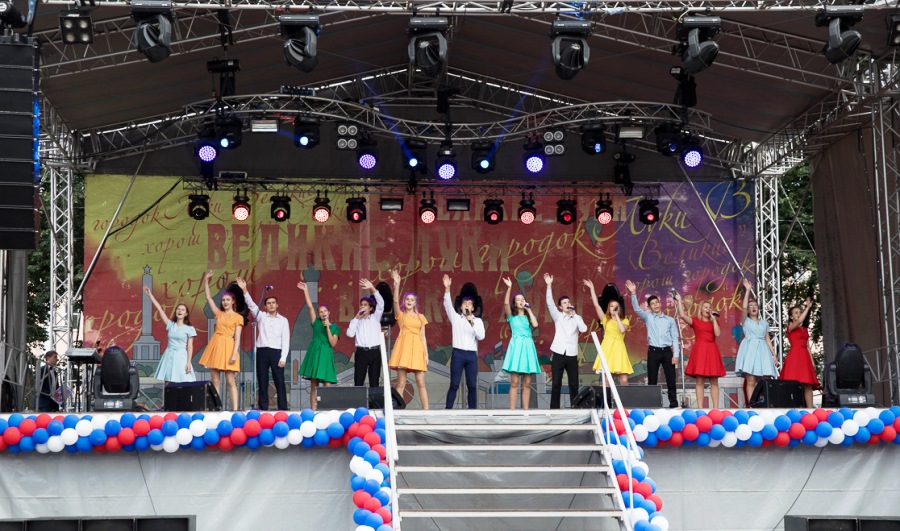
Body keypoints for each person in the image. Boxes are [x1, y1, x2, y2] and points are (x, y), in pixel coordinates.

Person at [235, 278, 290, 411]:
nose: (271, 305)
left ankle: (283, 408)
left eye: (273, 303)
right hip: (262, 351)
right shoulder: (261, 316)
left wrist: (283, 357)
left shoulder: (283, 320)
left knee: (279, 381)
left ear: (277, 305)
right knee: (262, 380)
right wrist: (244, 290)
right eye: (268, 303)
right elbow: (251, 304)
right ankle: (263, 408)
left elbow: (286, 339)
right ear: (265, 306)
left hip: (276, 352)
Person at [625, 280, 680, 407]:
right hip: (653, 351)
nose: (655, 305)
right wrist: (633, 293)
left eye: (656, 302)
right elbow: (637, 309)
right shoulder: (648, 317)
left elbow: (675, 338)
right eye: (652, 304)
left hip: (667, 351)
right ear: (649, 307)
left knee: (671, 379)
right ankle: (652, 404)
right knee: (652, 380)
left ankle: (673, 404)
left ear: (660, 304)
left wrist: (676, 355)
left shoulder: (670, 320)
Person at [198, 270, 244, 411]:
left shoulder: (238, 317)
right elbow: (208, 298)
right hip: (216, 345)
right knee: (216, 381)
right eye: (223, 300)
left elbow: (237, 337)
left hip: (229, 346)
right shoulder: (219, 314)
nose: (225, 302)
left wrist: (234, 353)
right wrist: (206, 281)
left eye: (228, 300)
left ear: (233, 301)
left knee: (230, 381)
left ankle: (235, 409)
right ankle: (216, 408)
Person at [442, 274, 486, 409]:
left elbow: (481, 336)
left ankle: (472, 411)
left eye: (469, 304)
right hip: (458, 353)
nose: (467, 305)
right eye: (464, 303)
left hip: (471, 355)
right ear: (460, 307)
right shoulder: (456, 318)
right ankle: (448, 410)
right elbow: (447, 305)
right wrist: (447, 289)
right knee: (454, 384)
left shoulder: (478, 321)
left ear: (473, 308)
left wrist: (471, 321)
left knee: (472, 385)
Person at [674, 294, 725, 409]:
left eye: (709, 307)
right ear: (701, 309)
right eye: (706, 307)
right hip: (700, 350)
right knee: (700, 380)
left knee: (714, 380)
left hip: (712, 350)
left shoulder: (714, 321)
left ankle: (715, 408)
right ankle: (700, 408)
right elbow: (683, 315)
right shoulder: (696, 321)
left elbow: (717, 334)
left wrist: (714, 320)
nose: (708, 309)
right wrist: (680, 300)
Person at [389, 269, 430, 409]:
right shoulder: (401, 315)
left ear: (415, 303)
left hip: (417, 348)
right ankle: (396, 409)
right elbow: (395, 301)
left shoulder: (421, 317)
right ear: (404, 301)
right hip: (404, 348)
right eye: (407, 299)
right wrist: (397, 284)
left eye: (412, 300)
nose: (409, 301)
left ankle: (426, 410)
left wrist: (426, 354)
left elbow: (423, 336)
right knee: (401, 382)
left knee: (421, 382)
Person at [545, 273, 587, 409]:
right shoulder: (558, 316)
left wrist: (575, 315)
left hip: (572, 353)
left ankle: (575, 408)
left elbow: (584, 329)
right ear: (560, 307)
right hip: (558, 352)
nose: (567, 304)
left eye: (568, 302)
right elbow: (549, 303)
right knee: (556, 382)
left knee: (573, 383)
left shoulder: (577, 317)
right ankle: (554, 409)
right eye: (564, 303)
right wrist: (549, 285)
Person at [734, 278, 779, 403]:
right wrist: (748, 291)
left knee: (764, 378)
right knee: (751, 379)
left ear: (758, 309)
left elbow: (767, 339)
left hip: (762, 350)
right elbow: (743, 308)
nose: (753, 307)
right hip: (750, 349)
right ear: (748, 310)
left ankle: (764, 403)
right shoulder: (746, 321)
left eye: (755, 306)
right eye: (751, 306)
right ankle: (752, 404)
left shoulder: (764, 323)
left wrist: (774, 355)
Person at [296, 281, 339, 410]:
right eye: (320, 312)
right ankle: (313, 410)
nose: (323, 313)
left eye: (325, 311)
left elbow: (333, 343)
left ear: (329, 313)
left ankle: (327, 409)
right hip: (315, 353)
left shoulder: (335, 327)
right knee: (314, 385)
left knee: (327, 384)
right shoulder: (316, 322)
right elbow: (310, 307)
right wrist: (305, 290)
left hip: (326, 354)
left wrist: (328, 327)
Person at [501, 277, 541, 410]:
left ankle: (525, 410)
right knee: (514, 382)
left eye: (522, 299)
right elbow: (506, 304)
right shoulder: (511, 316)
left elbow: (535, 324)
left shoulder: (528, 316)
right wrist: (509, 287)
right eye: (518, 300)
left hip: (528, 346)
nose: (521, 301)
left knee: (527, 383)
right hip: (517, 346)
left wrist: (529, 310)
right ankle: (512, 411)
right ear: (515, 303)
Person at [143, 286, 197, 383]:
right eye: (178, 309)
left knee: (182, 381)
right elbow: (160, 309)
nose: (180, 311)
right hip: (169, 355)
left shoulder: (189, 329)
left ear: (186, 314)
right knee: (168, 381)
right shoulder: (171, 325)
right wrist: (150, 295)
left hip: (181, 356)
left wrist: (188, 362)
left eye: (182, 310)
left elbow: (190, 346)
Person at [584, 280, 632, 385]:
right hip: (607, 348)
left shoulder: (624, 320)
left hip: (619, 349)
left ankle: (625, 396)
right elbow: (596, 305)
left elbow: (622, 330)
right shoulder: (605, 319)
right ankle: (608, 396)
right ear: (608, 308)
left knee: (623, 379)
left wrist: (617, 317)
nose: (614, 308)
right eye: (611, 306)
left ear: (619, 308)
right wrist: (592, 288)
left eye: (616, 306)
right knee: (607, 380)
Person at [780, 297, 819, 408]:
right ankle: (792, 408)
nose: (798, 314)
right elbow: (799, 321)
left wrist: (812, 361)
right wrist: (808, 307)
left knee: (807, 384)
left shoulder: (804, 329)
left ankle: (810, 409)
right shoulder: (790, 327)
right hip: (795, 356)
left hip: (804, 357)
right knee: (793, 383)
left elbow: (808, 346)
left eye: (799, 312)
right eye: (796, 313)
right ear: (791, 317)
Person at [347, 279, 385, 387]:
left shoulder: (375, 318)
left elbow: (381, 304)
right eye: (361, 305)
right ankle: (358, 398)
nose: (362, 307)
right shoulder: (356, 321)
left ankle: (373, 399)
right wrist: (356, 317)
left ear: (371, 308)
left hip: (374, 352)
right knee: (358, 381)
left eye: (365, 305)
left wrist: (372, 288)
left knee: (374, 382)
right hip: (361, 353)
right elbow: (350, 334)